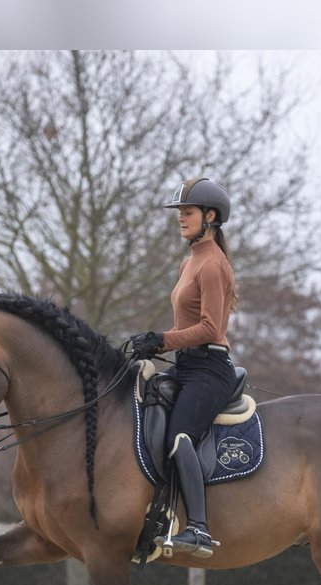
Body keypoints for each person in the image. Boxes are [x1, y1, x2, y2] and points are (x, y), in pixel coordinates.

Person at [129, 177, 239, 559]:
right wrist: (151, 343)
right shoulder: (189, 261)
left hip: (210, 369)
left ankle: (199, 529)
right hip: (187, 364)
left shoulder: (213, 265)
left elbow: (211, 328)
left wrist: (162, 339)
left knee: (180, 437)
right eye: (180, 213)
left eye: (187, 213)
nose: (181, 219)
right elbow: (183, 328)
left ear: (210, 217)